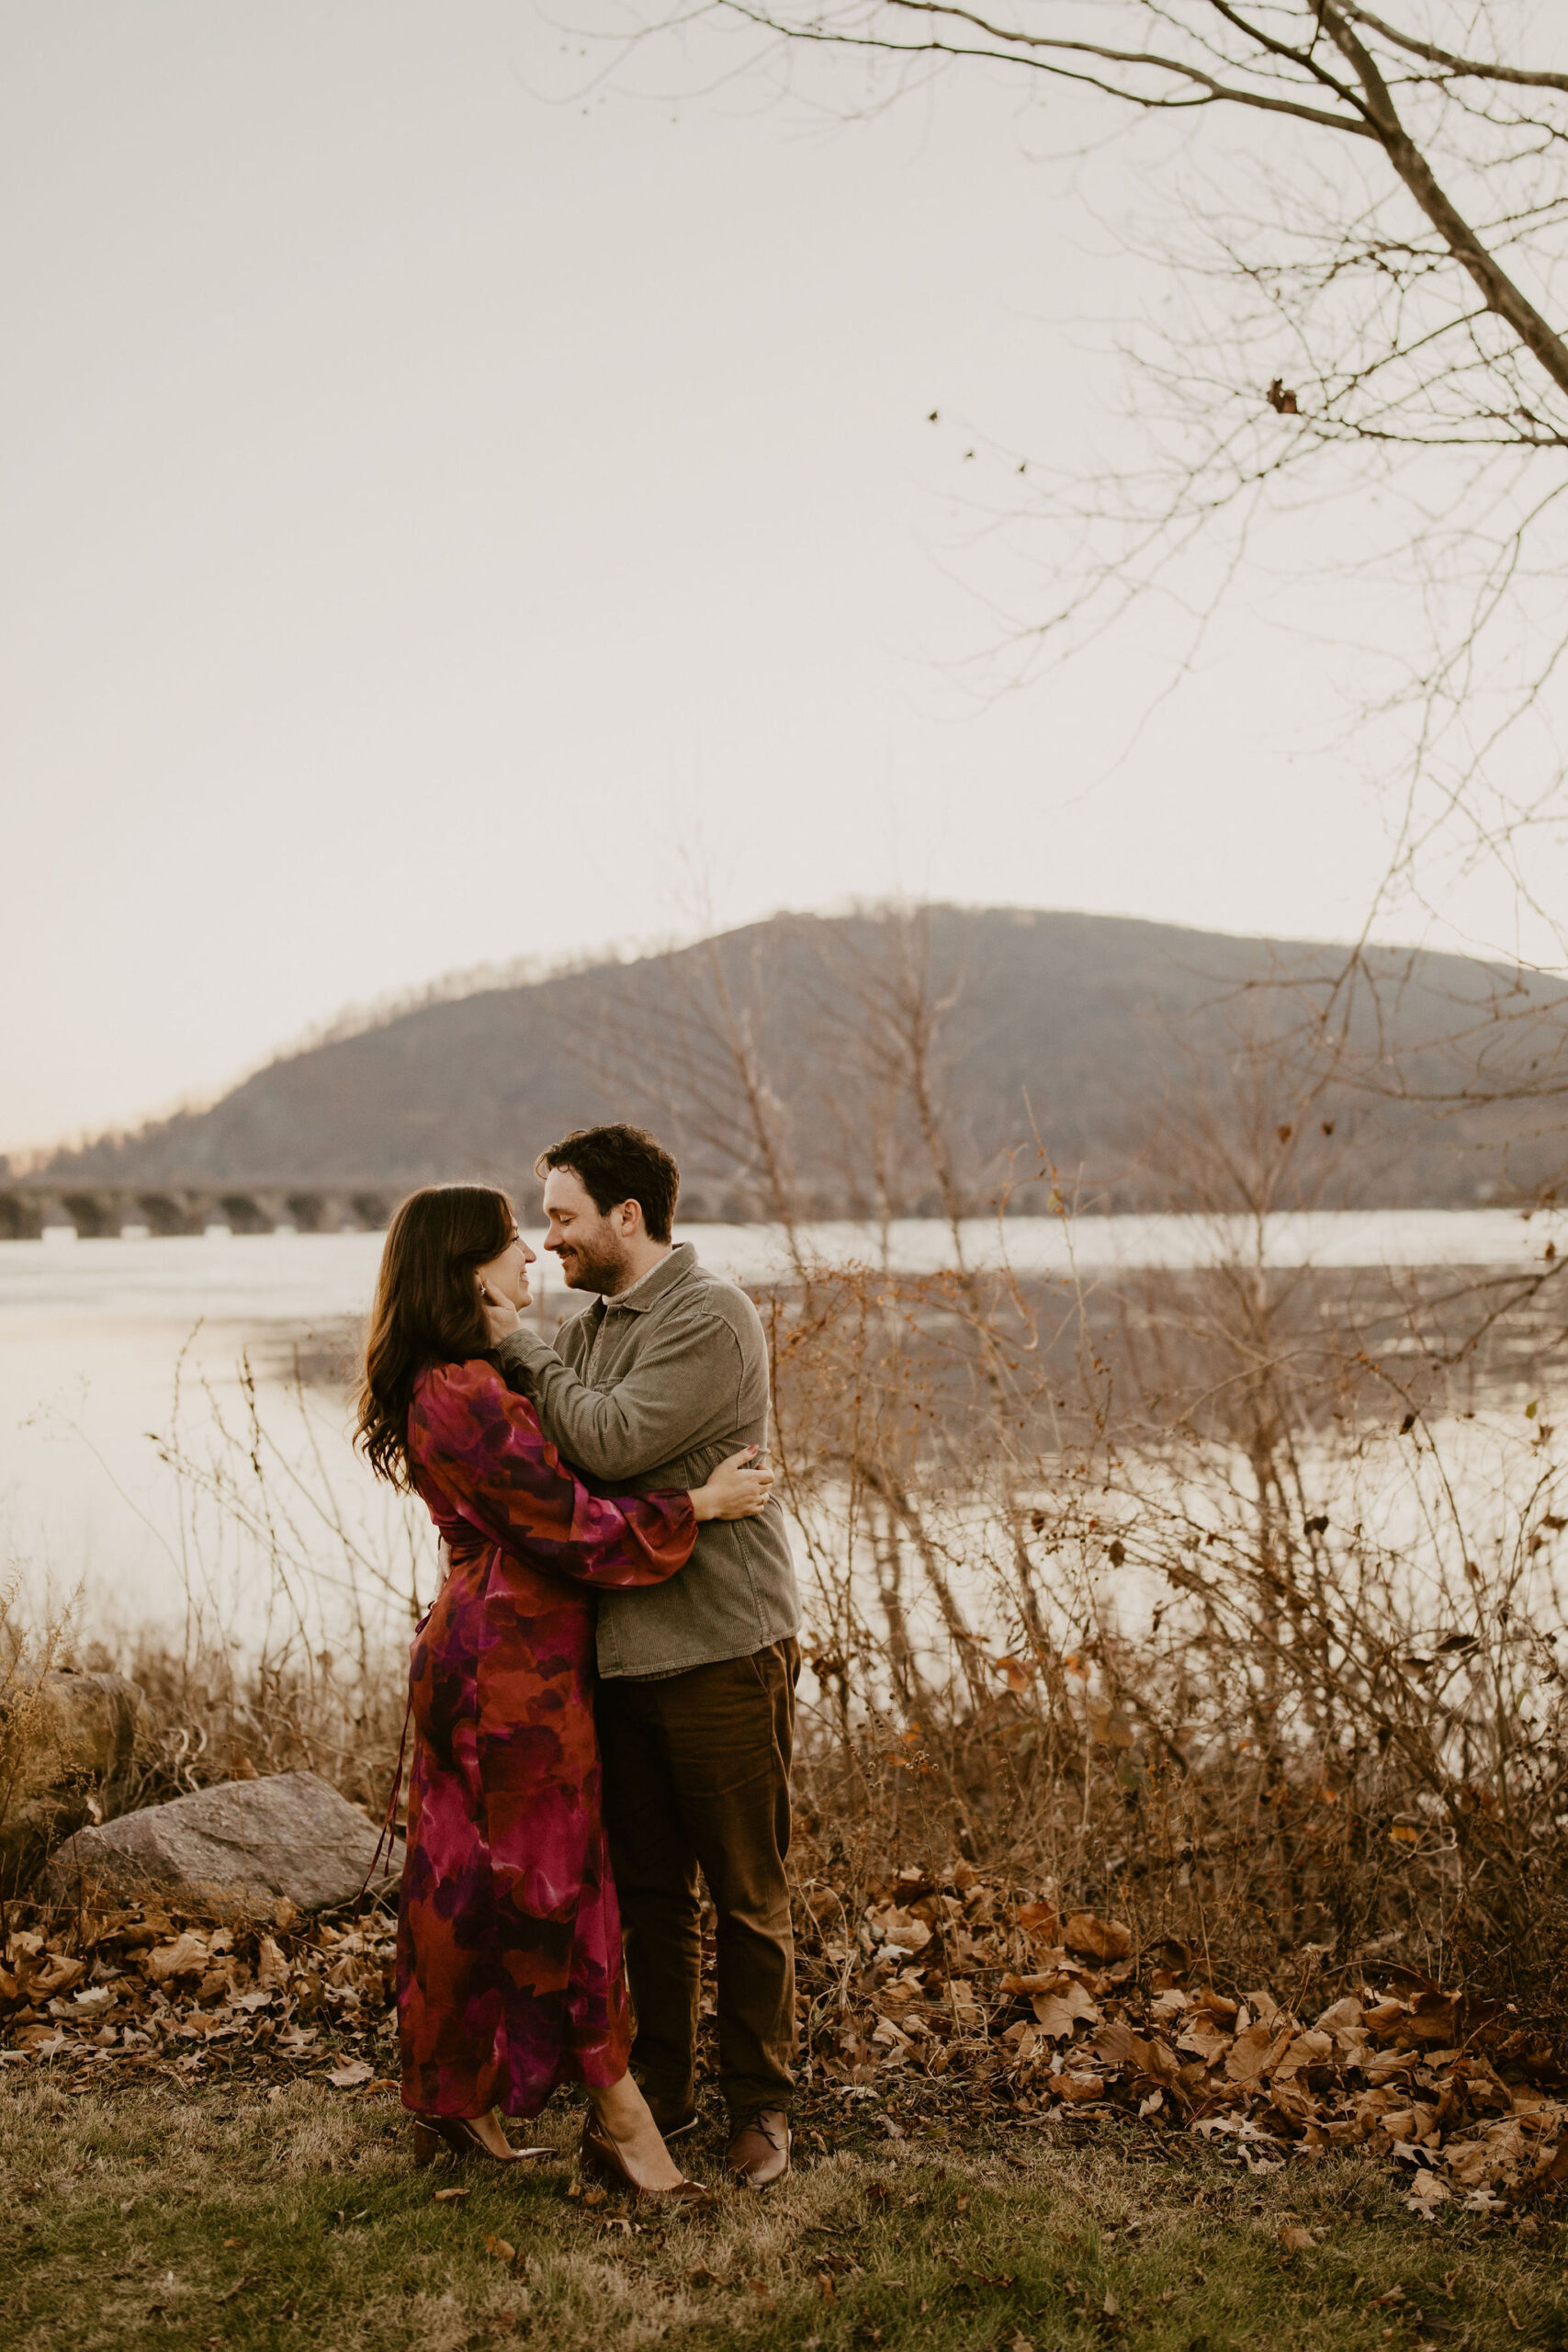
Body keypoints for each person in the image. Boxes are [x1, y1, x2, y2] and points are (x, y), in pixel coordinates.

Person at [355, 1182, 773, 2199]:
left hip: (498, 1650)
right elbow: (572, 1525)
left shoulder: (461, 1376)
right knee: (555, 1891)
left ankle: (459, 2102)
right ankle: (623, 2122)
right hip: (510, 1669)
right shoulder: (461, 1390)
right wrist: (701, 1505)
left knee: (465, 1884)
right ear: (466, 1271)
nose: (530, 1259)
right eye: (509, 1245)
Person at [481, 1124, 802, 2189]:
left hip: (719, 1643)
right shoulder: (597, 1322)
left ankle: (761, 2108)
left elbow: (608, 1443)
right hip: (621, 1654)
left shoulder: (709, 1317)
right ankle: (665, 2090)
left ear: (629, 1216)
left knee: (746, 1890)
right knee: (654, 1895)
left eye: (565, 1216)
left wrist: (527, 1354)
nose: (551, 1239)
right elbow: (566, 1470)